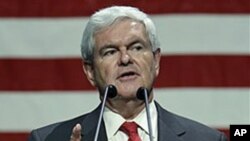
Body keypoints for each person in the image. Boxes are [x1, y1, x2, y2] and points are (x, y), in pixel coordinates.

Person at [28, 6, 228, 141]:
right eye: (110, 51)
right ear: (90, 71)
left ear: (156, 61)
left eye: (136, 47)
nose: (125, 59)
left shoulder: (206, 138)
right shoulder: (48, 138)